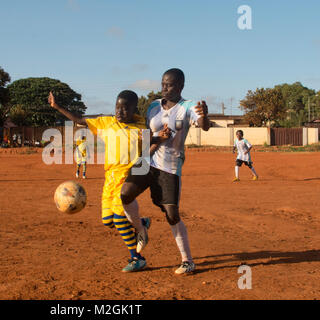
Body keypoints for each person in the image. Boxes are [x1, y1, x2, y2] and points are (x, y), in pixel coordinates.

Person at [48, 90, 166, 272]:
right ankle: (140, 223)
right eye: (118, 107)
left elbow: (151, 142)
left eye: (125, 108)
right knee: (107, 221)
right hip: (109, 178)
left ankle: (137, 258)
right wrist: (57, 106)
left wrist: (158, 138)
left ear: (135, 109)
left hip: (127, 178)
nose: (120, 111)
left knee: (119, 219)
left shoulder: (141, 126)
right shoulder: (106, 122)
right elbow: (79, 120)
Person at [120, 68, 210, 275]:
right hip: (147, 159)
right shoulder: (153, 106)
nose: (164, 88)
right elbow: (144, 136)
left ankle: (187, 260)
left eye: (169, 85)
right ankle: (141, 228)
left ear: (180, 86)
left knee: (171, 214)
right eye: (162, 84)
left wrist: (204, 116)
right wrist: (154, 138)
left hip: (169, 166)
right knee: (125, 194)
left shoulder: (188, 107)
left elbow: (204, 126)